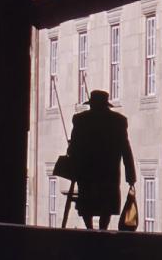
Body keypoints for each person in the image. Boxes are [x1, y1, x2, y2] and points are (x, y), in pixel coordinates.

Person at [67, 89, 136, 230]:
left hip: (87, 171)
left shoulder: (80, 120)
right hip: (108, 172)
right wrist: (131, 176)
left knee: (87, 202)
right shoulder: (118, 121)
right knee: (107, 203)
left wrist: (72, 152)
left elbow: (73, 148)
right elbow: (126, 150)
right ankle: (103, 229)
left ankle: (89, 229)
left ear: (91, 104)